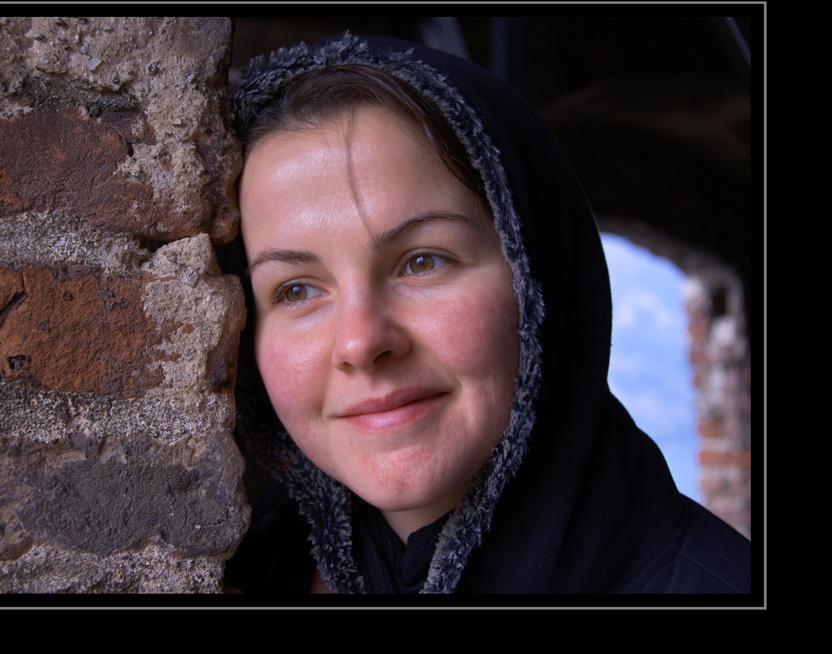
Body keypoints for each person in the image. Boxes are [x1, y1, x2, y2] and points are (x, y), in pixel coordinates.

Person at [222, 33, 752, 595]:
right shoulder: (238, 571)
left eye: (422, 261)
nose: (360, 342)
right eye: (297, 290)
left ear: (536, 275)